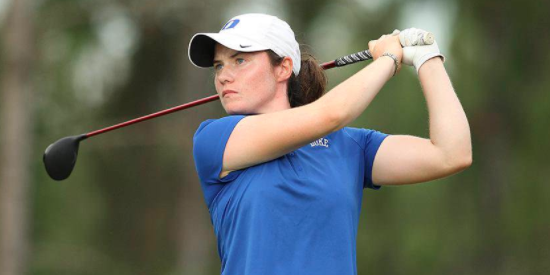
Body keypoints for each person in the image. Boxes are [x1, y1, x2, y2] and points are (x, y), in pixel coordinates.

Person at [188, 13, 471, 275]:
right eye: (218, 66)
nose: (224, 76)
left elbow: (451, 153)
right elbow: (331, 114)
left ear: (283, 68)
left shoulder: (350, 146)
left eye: (239, 60)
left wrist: (427, 58)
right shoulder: (215, 139)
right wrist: (388, 58)